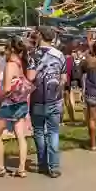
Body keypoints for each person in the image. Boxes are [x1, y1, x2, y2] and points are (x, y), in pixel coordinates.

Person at [0, 36, 32, 176]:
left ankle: (0, 167)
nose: (4, 52)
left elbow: (6, 89)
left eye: (5, 49)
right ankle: (21, 168)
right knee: (20, 136)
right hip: (21, 103)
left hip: (9, 105)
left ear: (11, 49)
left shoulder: (10, 65)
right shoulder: (22, 64)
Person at [28, 26, 65, 176]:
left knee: (38, 132)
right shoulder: (60, 55)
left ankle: (42, 164)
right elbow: (63, 79)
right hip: (55, 98)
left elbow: (30, 77)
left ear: (40, 36)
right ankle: (54, 166)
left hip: (37, 98)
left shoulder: (33, 55)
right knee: (53, 132)